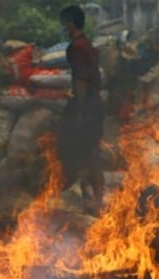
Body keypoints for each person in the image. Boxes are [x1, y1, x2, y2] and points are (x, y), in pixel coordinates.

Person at [58, 5, 105, 213]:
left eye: (64, 24)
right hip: (94, 104)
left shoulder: (76, 47)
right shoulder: (88, 45)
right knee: (88, 150)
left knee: (82, 151)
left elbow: (81, 79)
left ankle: (95, 199)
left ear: (69, 24)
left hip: (86, 106)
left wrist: (78, 110)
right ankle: (92, 196)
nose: (63, 28)